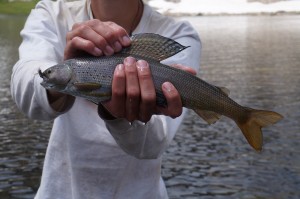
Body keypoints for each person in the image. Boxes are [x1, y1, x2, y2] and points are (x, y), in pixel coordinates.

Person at [11, 0, 201, 198]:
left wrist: (118, 115)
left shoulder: (181, 33)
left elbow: (153, 144)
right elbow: (27, 84)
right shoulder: (52, 13)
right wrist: (61, 85)